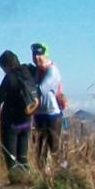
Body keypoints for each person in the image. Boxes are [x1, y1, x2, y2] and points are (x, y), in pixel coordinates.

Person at [0, 50, 38, 168]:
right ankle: (25, 179)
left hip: (10, 123)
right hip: (26, 122)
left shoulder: (10, 78)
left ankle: (14, 180)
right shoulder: (28, 72)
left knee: (10, 157)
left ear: (7, 65)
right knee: (23, 158)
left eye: (3, 68)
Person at [30, 42, 67, 172]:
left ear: (46, 55)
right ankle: (43, 176)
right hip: (39, 114)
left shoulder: (52, 71)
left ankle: (61, 174)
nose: (36, 57)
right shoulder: (37, 72)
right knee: (40, 149)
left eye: (40, 54)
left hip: (52, 114)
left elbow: (41, 89)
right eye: (34, 54)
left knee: (54, 148)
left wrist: (27, 91)